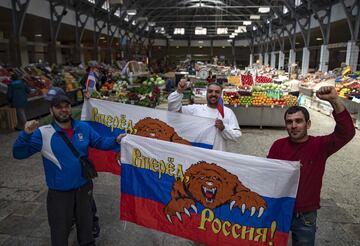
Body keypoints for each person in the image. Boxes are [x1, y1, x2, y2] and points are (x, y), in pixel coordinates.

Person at [12, 87, 125, 246]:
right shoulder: (43, 133)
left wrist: (116, 140)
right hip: (60, 194)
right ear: (51, 111)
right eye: (58, 107)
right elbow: (18, 153)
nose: (63, 110)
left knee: (86, 225)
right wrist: (25, 134)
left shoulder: (83, 127)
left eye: (66, 106)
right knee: (60, 230)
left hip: (84, 187)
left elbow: (99, 141)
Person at [267, 86, 355, 246]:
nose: (293, 125)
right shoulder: (277, 146)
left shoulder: (319, 146)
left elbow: (347, 132)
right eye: (289, 122)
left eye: (298, 121)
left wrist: (335, 101)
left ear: (308, 124)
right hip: (278, 210)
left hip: (305, 215)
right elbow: (268, 174)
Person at [168, 80, 241, 151]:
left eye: (217, 92)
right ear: (206, 94)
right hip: (198, 155)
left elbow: (237, 136)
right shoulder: (195, 109)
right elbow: (174, 110)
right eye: (210, 91)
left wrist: (223, 128)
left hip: (217, 156)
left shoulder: (227, 112)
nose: (213, 94)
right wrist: (179, 92)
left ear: (221, 94)